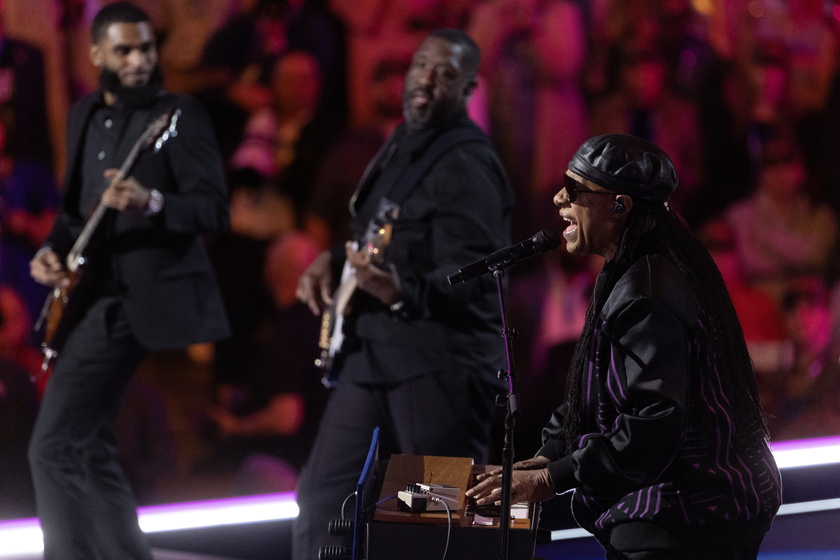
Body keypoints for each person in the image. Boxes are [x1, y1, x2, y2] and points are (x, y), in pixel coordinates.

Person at [467, 134, 782, 559]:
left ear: (619, 205)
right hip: (685, 508)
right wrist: (547, 457)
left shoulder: (648, 292)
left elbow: (654, 423)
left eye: (576, 189)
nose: (560, 198)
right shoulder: (630, 269)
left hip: (691, 514)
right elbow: (592, 391)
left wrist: (552, 479)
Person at [293, 28, 514, 559]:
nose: (426, 82)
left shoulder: (467, 162)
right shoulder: (402, 143)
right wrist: (333, 261)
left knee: (430, 515)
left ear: (466, 89)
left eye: (445, 75)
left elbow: (482, 274)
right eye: (421, 67)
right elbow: (379, 234)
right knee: (324, 497)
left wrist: (398, 288)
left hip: (438, 366)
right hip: (375, 351)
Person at [26, 3, 230, 559]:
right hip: (94, 292)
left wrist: (152, 201)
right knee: (89, 445)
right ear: (97, 55)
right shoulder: (84, 114)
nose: (139, 60)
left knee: (53, 446)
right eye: (124, 50)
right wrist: (51, 252)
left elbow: (214, 210)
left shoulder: (178, 115)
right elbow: (75, 214)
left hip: (143, 297)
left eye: (146, 48)